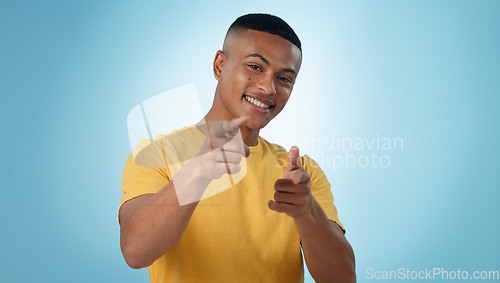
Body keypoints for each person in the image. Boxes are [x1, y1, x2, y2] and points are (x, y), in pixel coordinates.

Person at [119, 13, 355, 282]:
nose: (268, 87)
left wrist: (306, 211)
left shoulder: (301, 174)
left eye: (284, 78)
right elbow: (135, 253)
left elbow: (343, 278)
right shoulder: (156, 154)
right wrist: (196, 174)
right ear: (220, 65)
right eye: (255, 67)